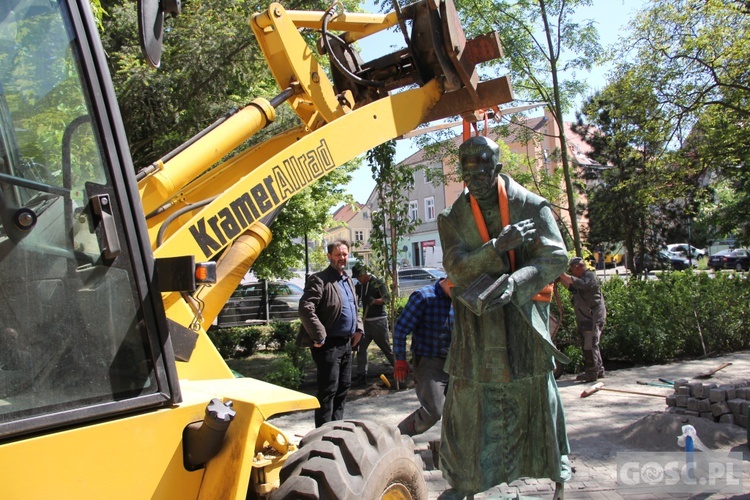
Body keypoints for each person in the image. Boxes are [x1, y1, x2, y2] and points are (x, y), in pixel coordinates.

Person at [437, 136, 571, 496]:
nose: (474, 184)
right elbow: (456, 266)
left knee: (538, 394)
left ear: (496, 169)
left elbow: (557, 257)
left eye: (481, 176)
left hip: (523, 321)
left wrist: (516, 282)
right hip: (477, 327)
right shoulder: (452, 218)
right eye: (468, 177)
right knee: (468, 402)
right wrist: (496, 248)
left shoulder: (530, 205)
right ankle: (466, 481)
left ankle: (558, 477)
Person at [297, 240, 364, 427]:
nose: (342, 258)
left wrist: (359, 328)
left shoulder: (348, 279)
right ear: (329, 256)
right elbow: (305, 308)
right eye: (337, 254)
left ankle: (336, 429)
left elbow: (354, 306)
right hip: (328, 345)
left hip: (346, 344)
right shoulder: (320, 279)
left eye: (344, 254)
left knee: (343, 389)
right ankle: (323, 434)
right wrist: (319, 335)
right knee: (328, 391)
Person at [392, 277, 453, 437]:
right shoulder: (424, 297)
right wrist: (400, 360)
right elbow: (400, 329)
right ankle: (397, 436)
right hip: (429, 363)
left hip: (454, 363)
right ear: (451, 280)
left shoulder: (460, 298)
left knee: (458, 411)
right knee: (433, 411)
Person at [558, 256, 606, 382]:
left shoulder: (589, 276)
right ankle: (598, 369)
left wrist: (562, 274)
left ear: (578, 267)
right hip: (586, 317)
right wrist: (560, 278)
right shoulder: (580, 279)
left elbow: (581, 284)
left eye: (572, 269)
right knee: (591, 343)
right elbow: (572, 287)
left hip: (593, 317)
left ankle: (591, 373)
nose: (572, 272)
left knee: (589, 345)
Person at [351, 263, 395, 385]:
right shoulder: (359, 286)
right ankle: (361, 375)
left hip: (378, 321)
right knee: (361, 348)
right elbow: (354, 298)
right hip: (365, 324)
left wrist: (375, 301)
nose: (358, 279)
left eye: (359, 276)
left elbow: (386, 299)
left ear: (365, 273)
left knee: (386, 348)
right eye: (357, 277)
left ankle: (399, 369)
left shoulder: (377, 283)